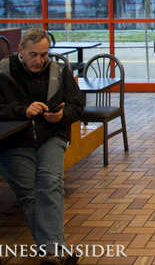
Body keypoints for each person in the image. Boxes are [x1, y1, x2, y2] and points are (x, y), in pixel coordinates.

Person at [0, 28, 83, 265]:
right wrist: (22, 111)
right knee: (29, 194)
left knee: (50, 185)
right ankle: (57, 251)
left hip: (50, 137)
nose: (40, 61)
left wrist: (61, 116)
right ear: (20, 51)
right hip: (13, 142)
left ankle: (51, 252)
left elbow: (77, 107)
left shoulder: (59, 71)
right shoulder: (3, 72)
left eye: (44, 54)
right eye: (33, 54)